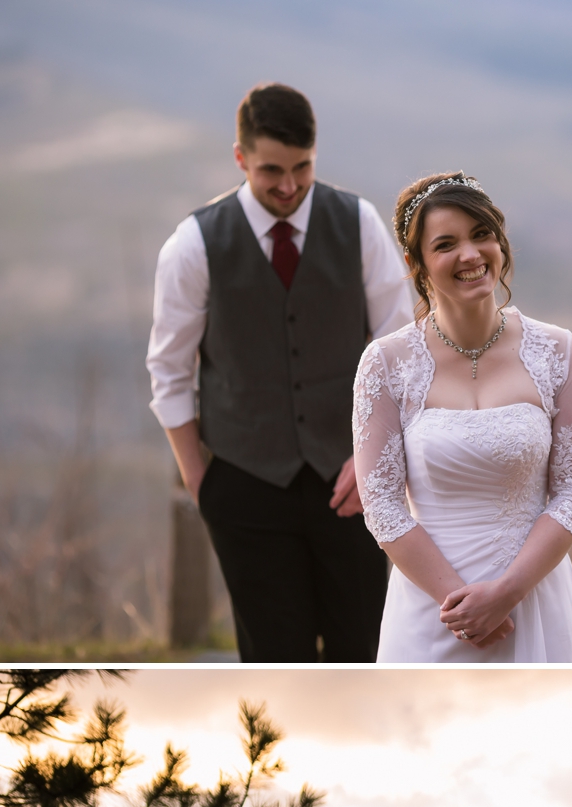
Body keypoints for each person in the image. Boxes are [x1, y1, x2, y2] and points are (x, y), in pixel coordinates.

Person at [147, 82, 414, 661]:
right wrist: (202, 483)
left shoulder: (360, 225)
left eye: (302, 168)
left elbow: (403, 352)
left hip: (353, 480)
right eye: (272, 170)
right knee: (275, 662)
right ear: (240, 158)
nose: (289, 186)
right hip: (244, 487)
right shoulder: (193, 246)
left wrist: (374, 456)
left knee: (364, 652)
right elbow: (169, 372)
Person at [352, 172, 572, 661]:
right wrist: (459, 604)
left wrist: (507, 592)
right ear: (415, 262)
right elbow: (381, 504)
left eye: (481, 234)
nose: (470, 254)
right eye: (446, 244)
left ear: (500, 242)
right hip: (432, 607)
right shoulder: (386, 363)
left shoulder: (558, 351)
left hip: (533, 600)